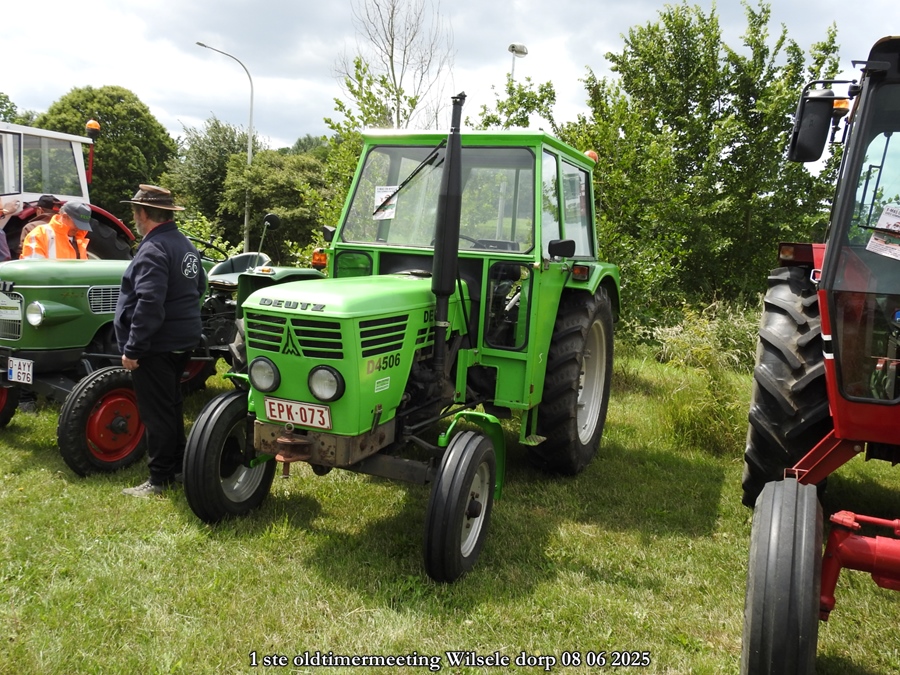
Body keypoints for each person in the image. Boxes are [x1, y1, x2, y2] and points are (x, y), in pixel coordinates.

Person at [116, 184, 205, 497]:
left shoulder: (154, 248)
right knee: (171, 405)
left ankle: (159, 479)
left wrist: (133, 348)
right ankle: (178, 466)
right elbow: (199, 287)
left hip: (157, 344)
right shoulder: (185, 244)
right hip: (183, 339)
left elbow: (149, 303)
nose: (134, 218)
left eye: (134, 212)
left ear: (143, 213)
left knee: (157, 413)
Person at [20, 200, 92, 259]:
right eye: (77, 224)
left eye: (82, 225)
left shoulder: (79, 239)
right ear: (64, 216)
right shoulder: (39, 235)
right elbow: (34, 269)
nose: (79, 228)